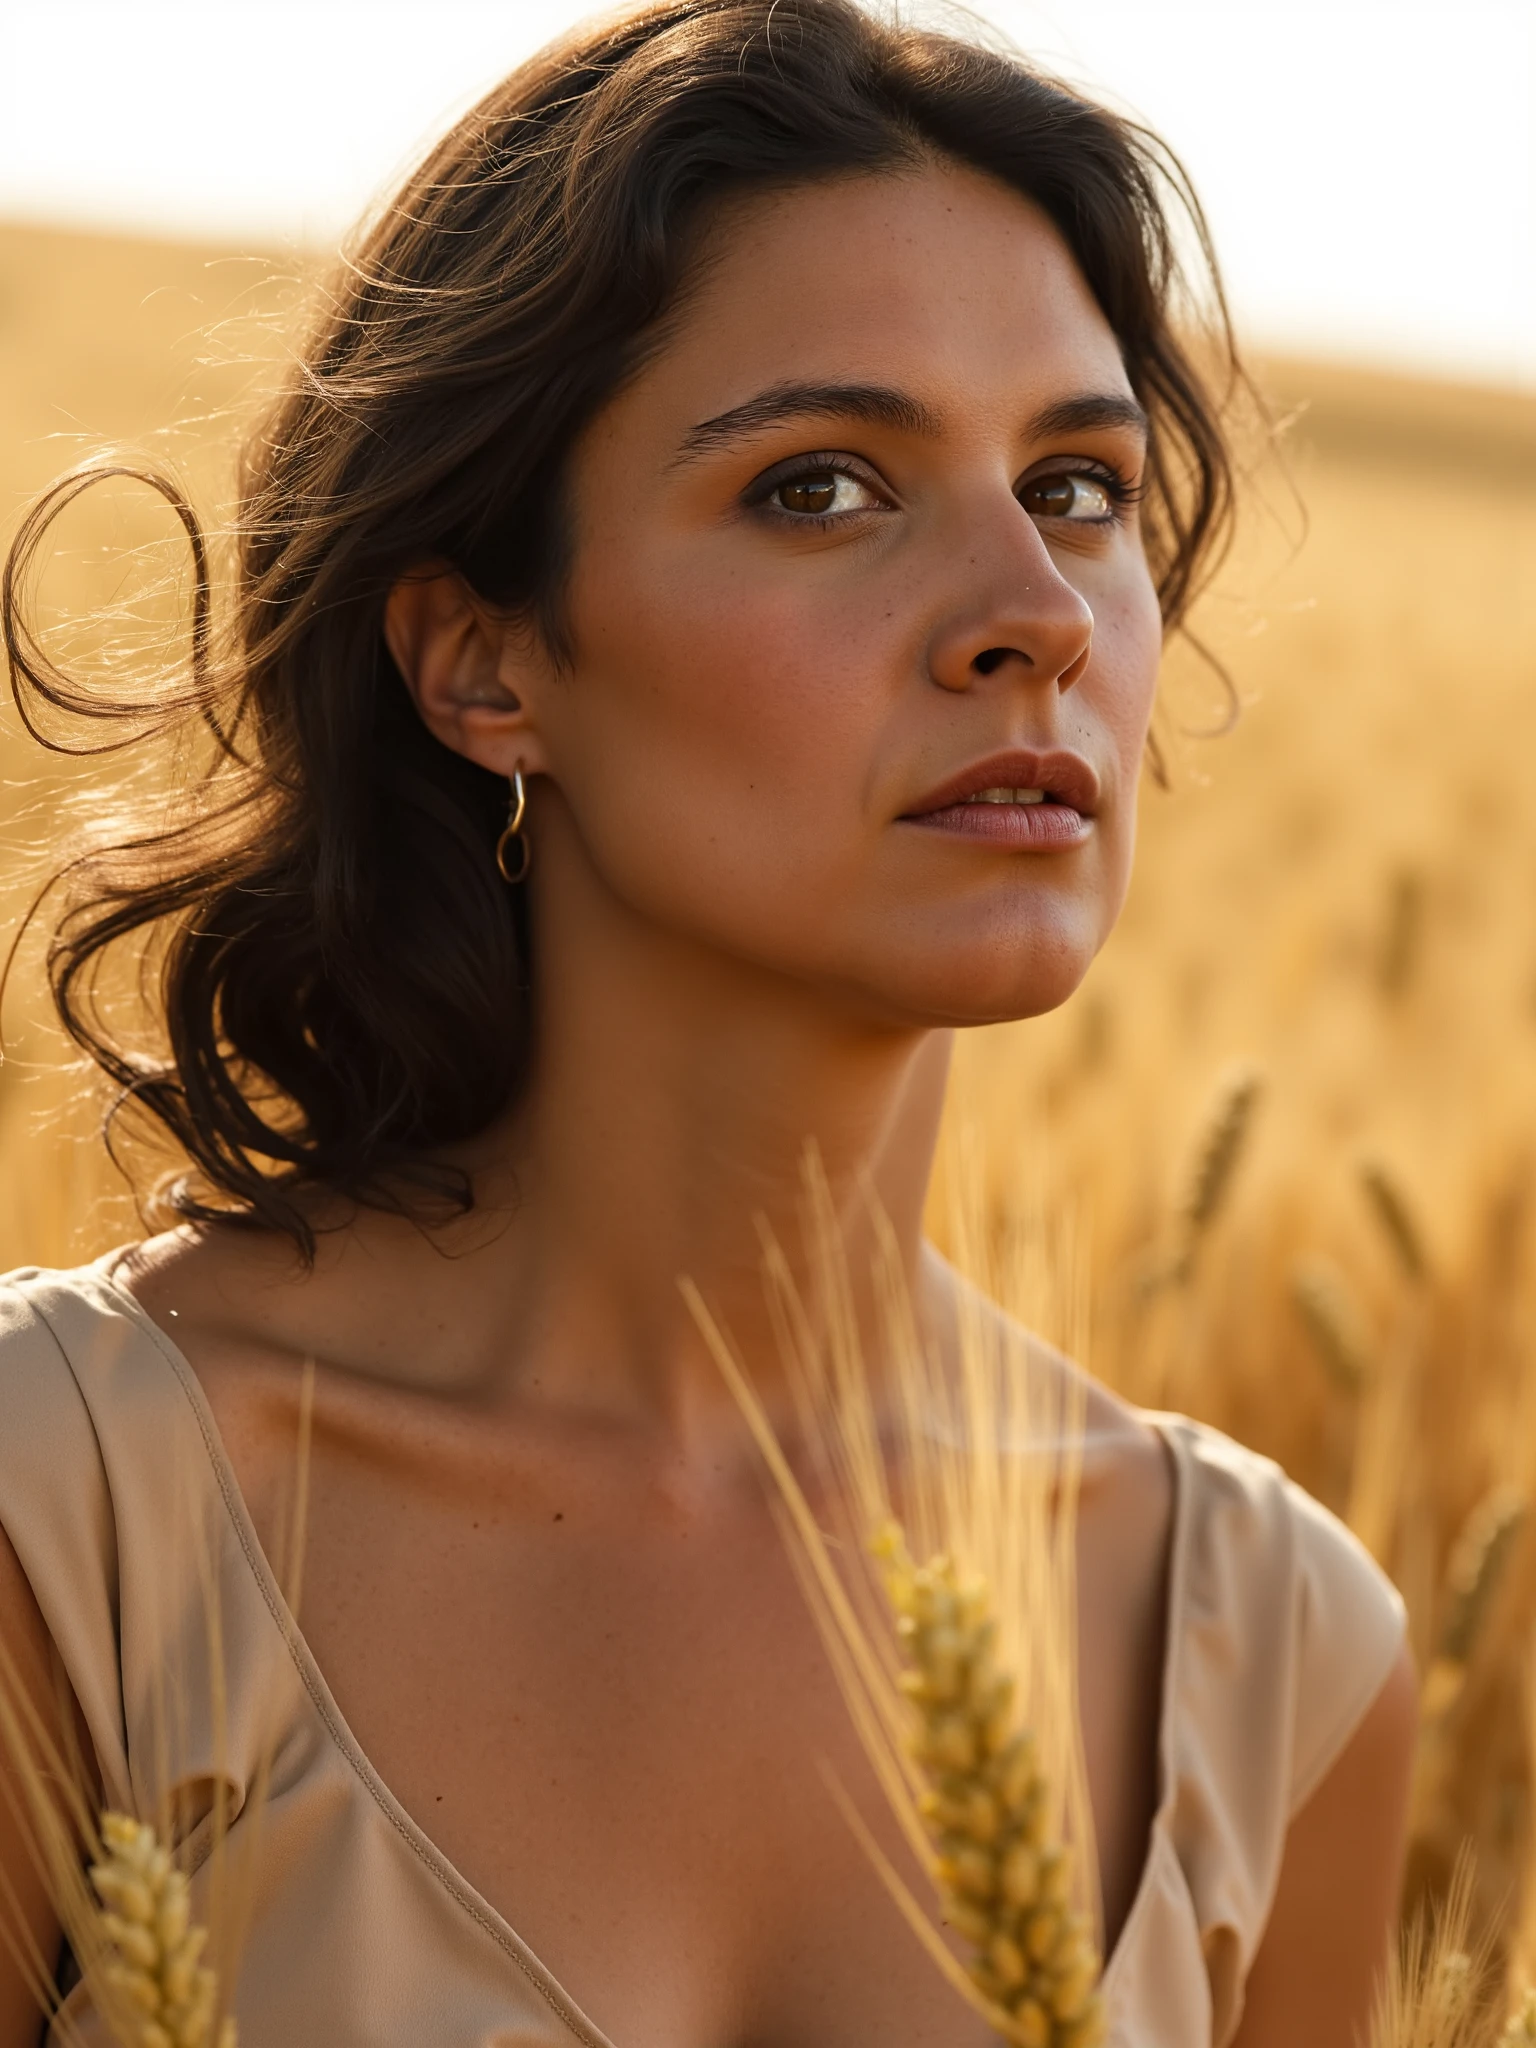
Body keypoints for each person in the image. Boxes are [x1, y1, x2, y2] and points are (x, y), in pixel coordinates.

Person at [0, 4, 1416, 2044]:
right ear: (484, 662)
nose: (1031, 605)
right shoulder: (78, 1517)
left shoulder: (1273, 1658)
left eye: (1082, 483)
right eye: (825, 486)